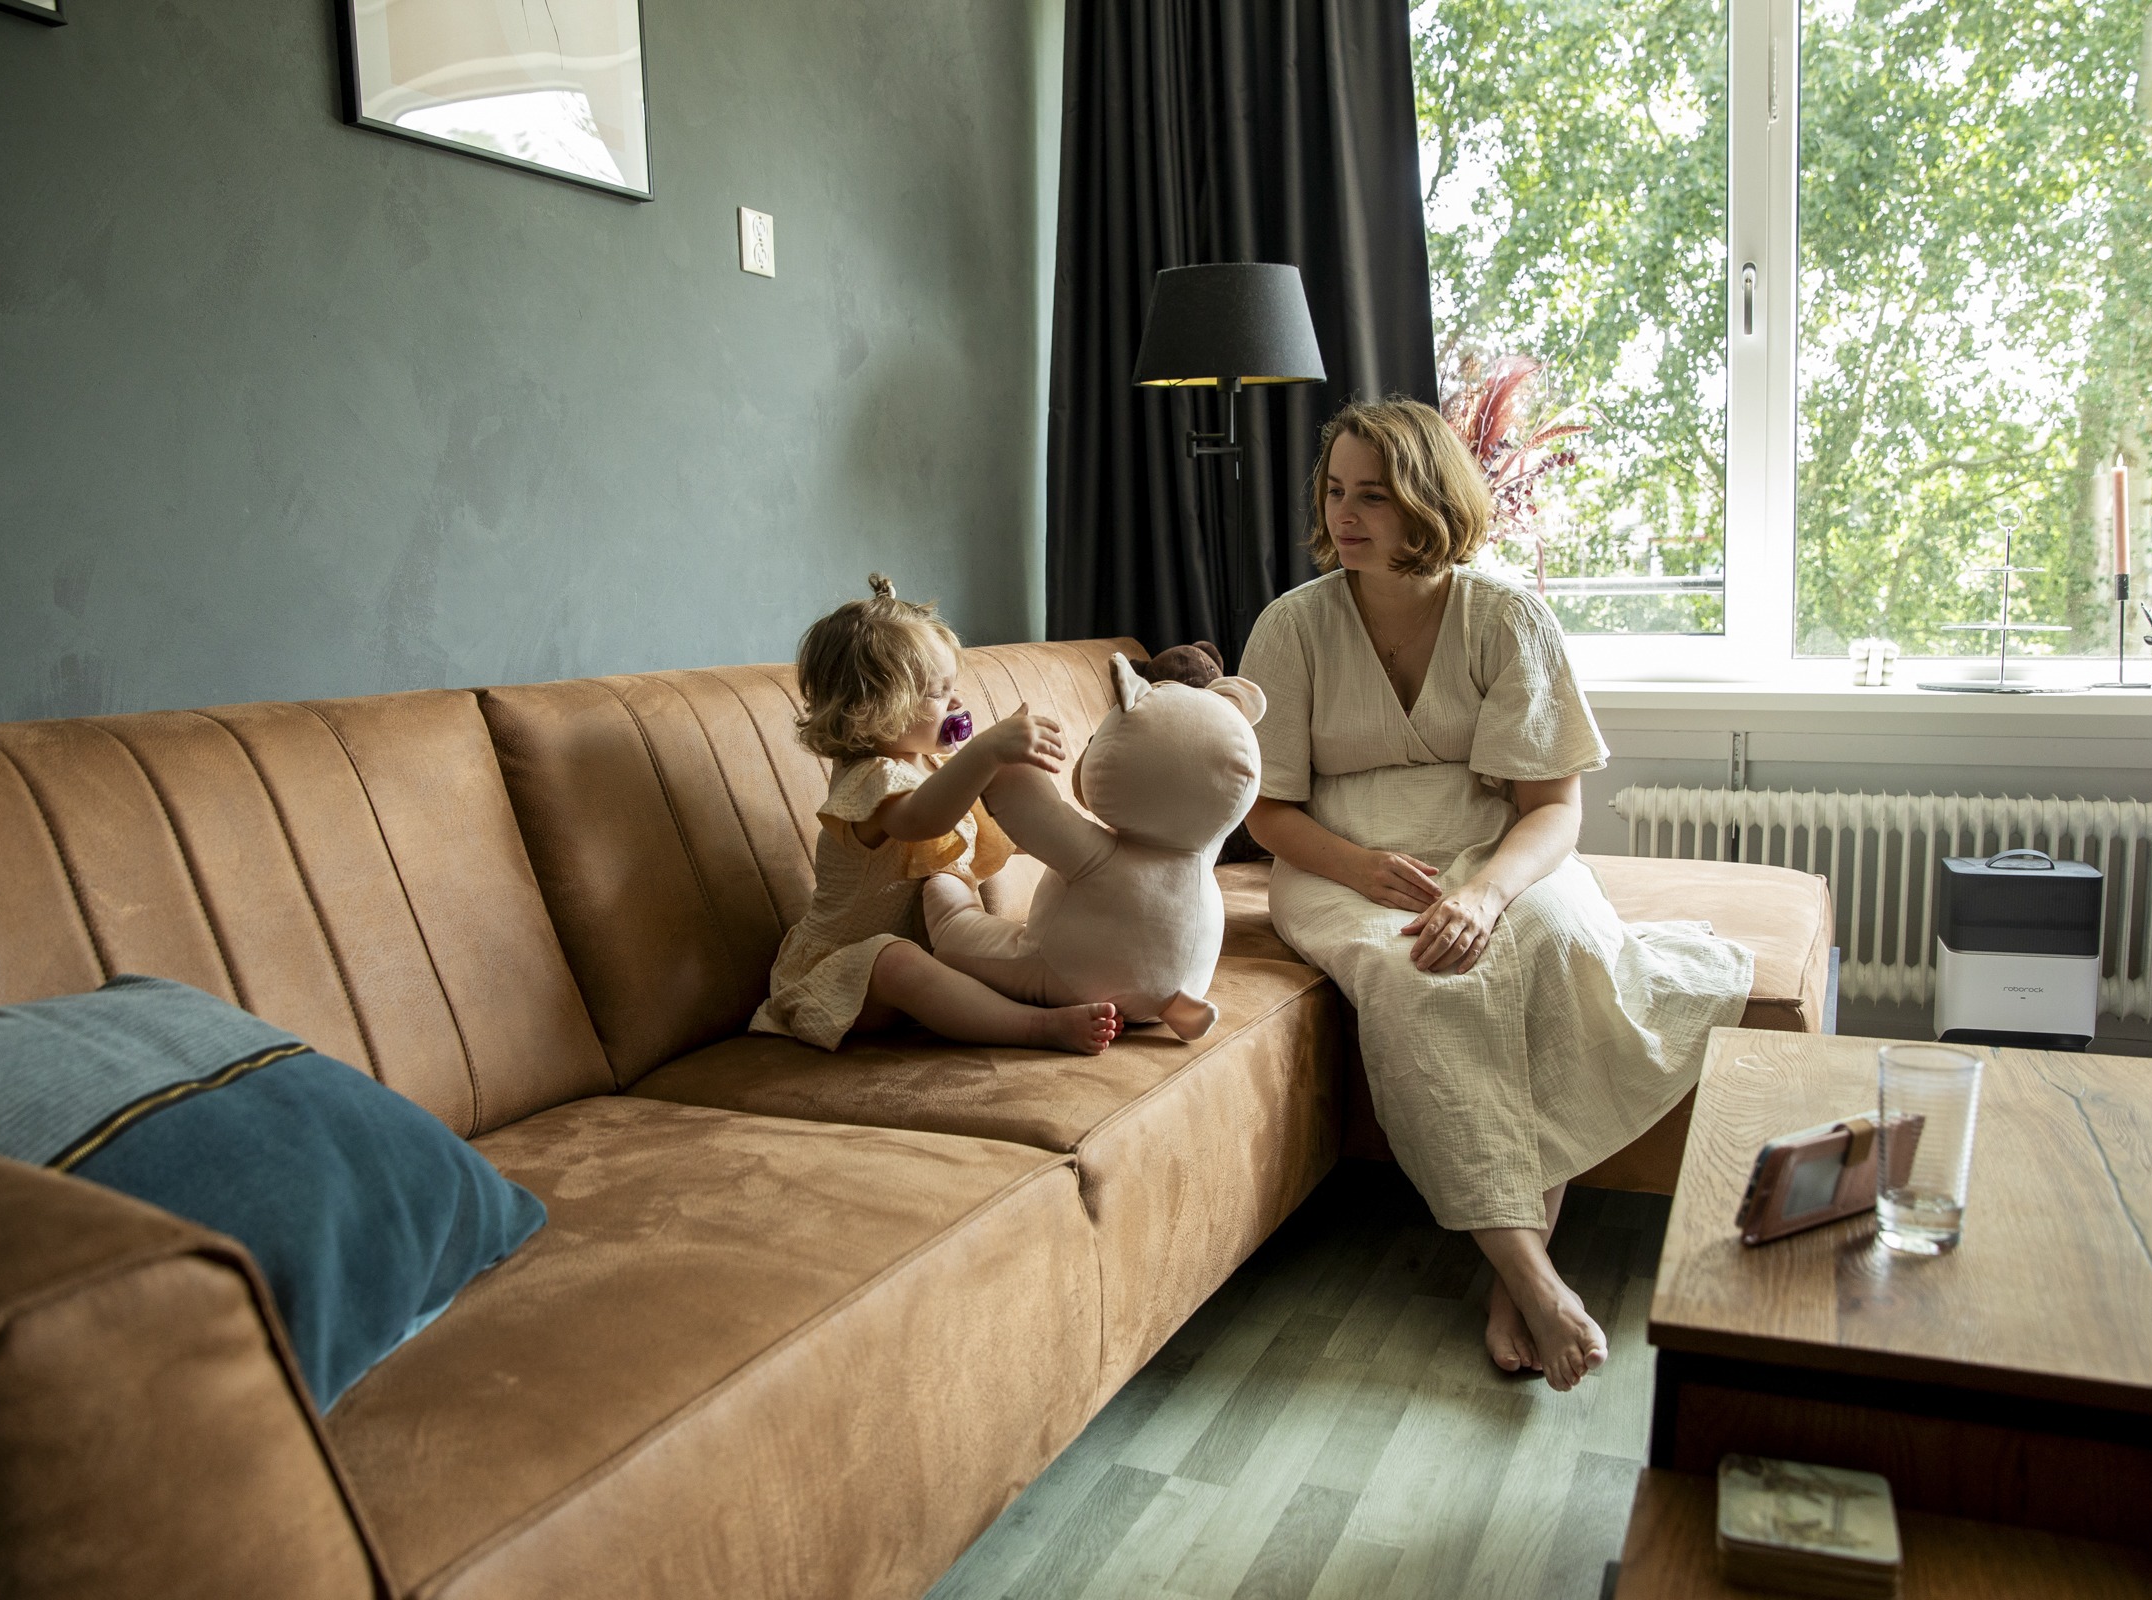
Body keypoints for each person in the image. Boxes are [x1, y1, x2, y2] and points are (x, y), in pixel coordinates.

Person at [1237, 400, 1753, 1389]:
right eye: (1336, 491)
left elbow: (1556, 809)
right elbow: (1269, 814)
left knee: (1560, 950)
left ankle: (1518, 1278)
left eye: (1374, 496)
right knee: (1420, 978)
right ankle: (1534, 1279)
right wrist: (1358, 867)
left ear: (1429, 499)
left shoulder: (1506, 616)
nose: (1347, 516)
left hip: (1499, 851)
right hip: (1341, 866)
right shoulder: (1292, 627)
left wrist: (1490, 897)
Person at [749, 574, 1124, 1055]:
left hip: (937, 958)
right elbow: (921, 821)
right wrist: (986, 751)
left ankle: (1050, 991)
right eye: (937, 692)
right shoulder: (867, 779)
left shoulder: (939, 766)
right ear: (872, 708)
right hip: (843, 975)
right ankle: (1035, 1028)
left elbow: (1012, 828)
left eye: (955, 687)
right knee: (895, 961)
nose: (958, 704)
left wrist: (1086, 846)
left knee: (993, 948)